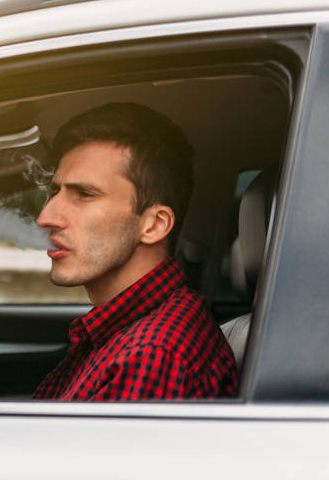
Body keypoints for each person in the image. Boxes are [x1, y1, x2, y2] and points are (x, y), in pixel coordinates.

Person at [33, 102, 238, 401]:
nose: (45, 217)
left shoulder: (150, 356)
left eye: (85, 194)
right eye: (55, 192)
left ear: (154, 225)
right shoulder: (133, 332)